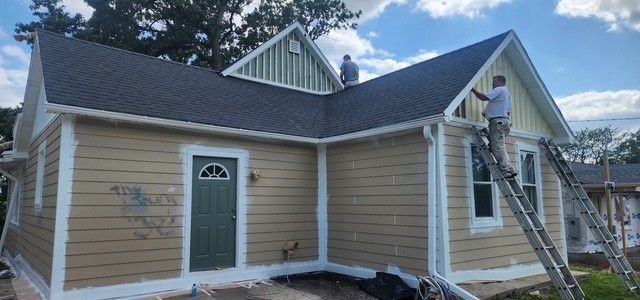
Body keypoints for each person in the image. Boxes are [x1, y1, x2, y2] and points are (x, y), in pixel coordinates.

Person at [471, 75, 518, 178]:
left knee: (497, 147)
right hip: (504, 122)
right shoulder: (506, 95)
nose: (492, 84)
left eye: (494, 82)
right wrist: (486, 113)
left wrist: (473, 90)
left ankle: (505, 170)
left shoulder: (499, 89)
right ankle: (510, 168)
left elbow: (484, 97)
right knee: (500, 146)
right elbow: (507, 111)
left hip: (497, 122)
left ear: (500, 82)